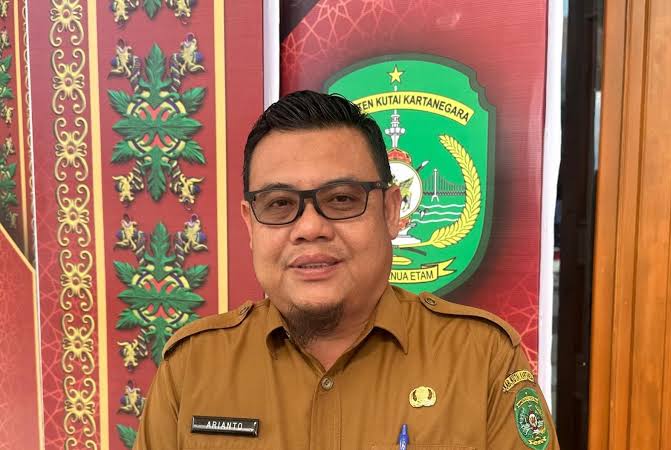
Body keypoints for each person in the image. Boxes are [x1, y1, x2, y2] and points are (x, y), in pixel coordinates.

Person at [134, 90, 559, 450]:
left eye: (341, 199)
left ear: (391, 211)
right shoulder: (192, 369)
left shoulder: (482, 360)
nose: (310, 228)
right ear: (250, 225)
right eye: (280, 204)